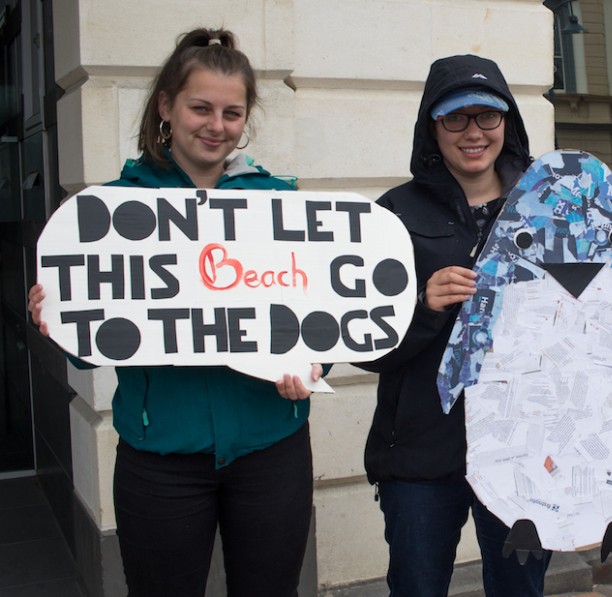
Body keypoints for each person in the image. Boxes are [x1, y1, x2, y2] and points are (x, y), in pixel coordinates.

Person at [28, 28, 323, 597]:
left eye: (232, 112)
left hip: (271, 447)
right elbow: (90, 340)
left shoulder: (280, 204)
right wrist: (58, 318)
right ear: (167, 105)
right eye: (201, 108)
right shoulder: (111, 211)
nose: (217, 125)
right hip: (160, 455)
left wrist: (313, 369)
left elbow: (320, 313)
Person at [359, 54, 552, 596]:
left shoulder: (550, 206)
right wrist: (424, 307)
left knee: (520, 590)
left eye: (487, 116)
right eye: (455, 118)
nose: (474, 133)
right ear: (432, 127)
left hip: (524, 451)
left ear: (508, 123)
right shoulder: (392, 215)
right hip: (420, 454)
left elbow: (594, 314)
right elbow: (365, 347)